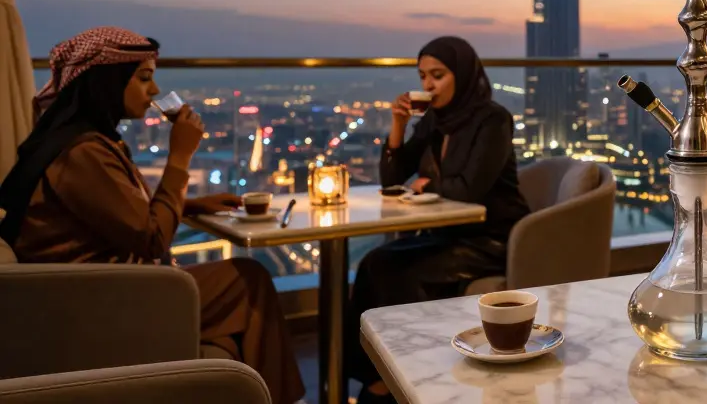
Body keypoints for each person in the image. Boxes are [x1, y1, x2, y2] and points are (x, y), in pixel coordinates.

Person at [0, 27, 304, 404]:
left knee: (230, 326)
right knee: (248, 279)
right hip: (103, 301)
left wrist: (189, 205)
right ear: (107, 82)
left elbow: (110, 215)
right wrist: (180, 157)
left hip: (92, 290)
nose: (155, 91)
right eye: (144, 78)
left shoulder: (76, 142)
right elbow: (150, 237)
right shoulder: (83, 153)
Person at [347, 36, 529, 403]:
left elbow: (470, 189)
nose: (427, 85)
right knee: (373, 263)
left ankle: (414, 375)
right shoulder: (434, 120)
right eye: (422, 76)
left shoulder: (493, 120)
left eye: (438, 75)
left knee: (401, 274)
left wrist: (431, 183)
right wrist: (398, 125)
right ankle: (374, 375)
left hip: (491, 237)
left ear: (462, 75)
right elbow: (393, 180)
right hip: (450, 234)